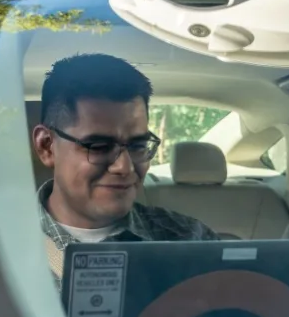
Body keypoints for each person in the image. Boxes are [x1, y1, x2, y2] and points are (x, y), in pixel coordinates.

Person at [31, 53, 220, 290]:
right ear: (46, 146)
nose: (124, 167)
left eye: (138, 146)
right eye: (99, 147)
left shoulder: (192, 242)